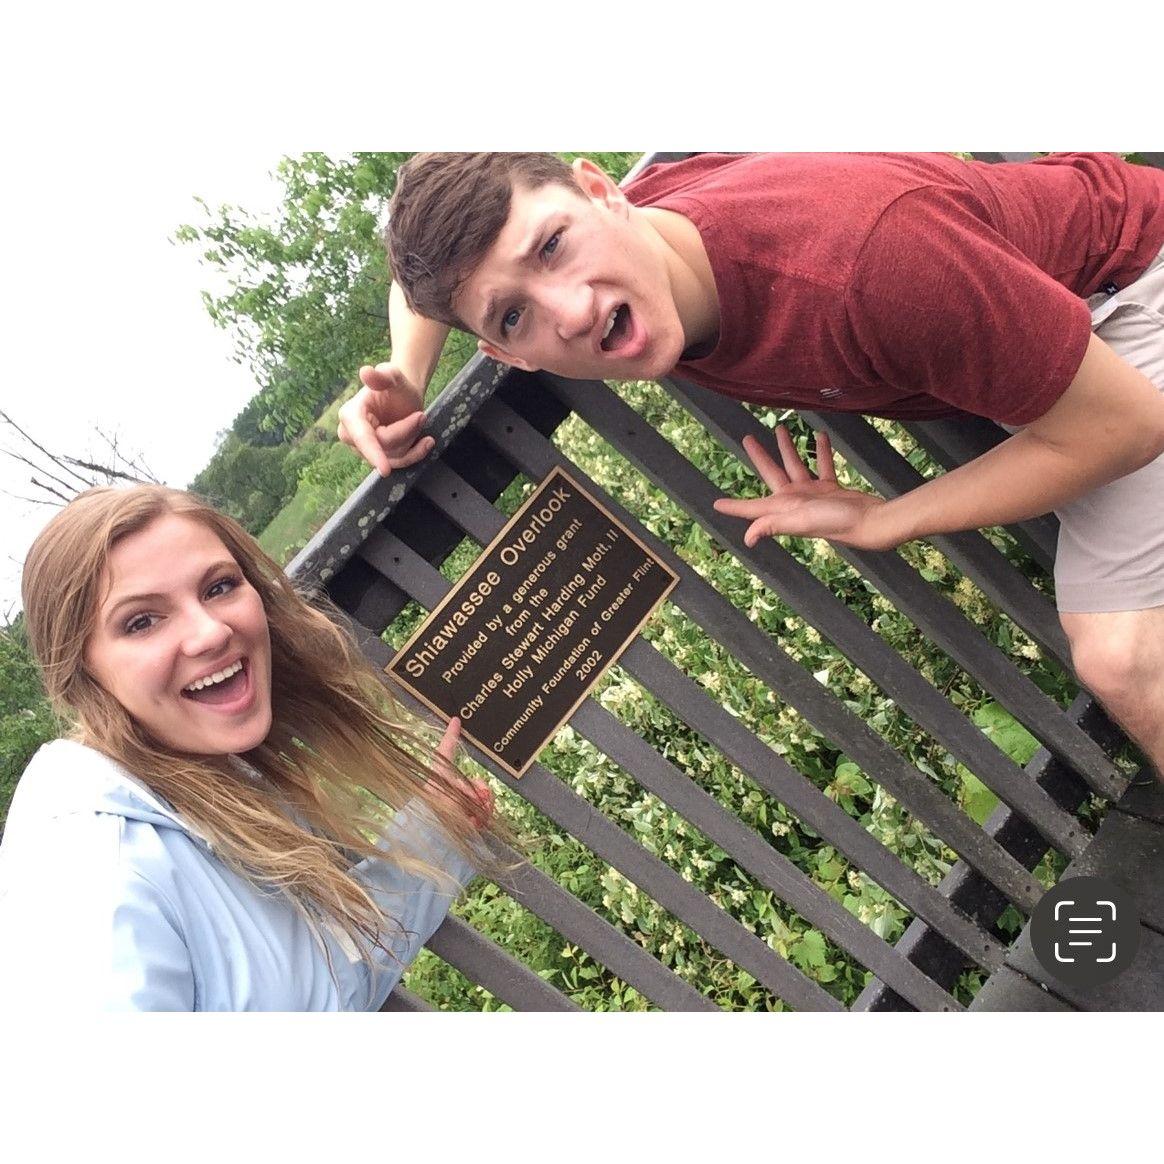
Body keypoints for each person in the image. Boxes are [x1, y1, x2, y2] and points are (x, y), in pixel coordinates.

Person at [336, 151, 1164, 776]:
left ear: (601, 189)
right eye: (515, 317)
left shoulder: (864, 264)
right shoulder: (639, 244)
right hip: (1052, 348)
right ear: (503, 355)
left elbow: (1126, 426)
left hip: (1126, 295)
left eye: (553, 247)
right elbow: (435, 270)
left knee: (1120, 655)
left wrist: (888, 519)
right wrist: (406, 377)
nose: (574, 310)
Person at [0, 484, 498, 1011]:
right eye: (141, 621)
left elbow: (314, 989)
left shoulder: (203, 787)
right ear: (82, 671)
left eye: (219, 586)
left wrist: (432, 835)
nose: (211, 632)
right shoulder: (90, 883)